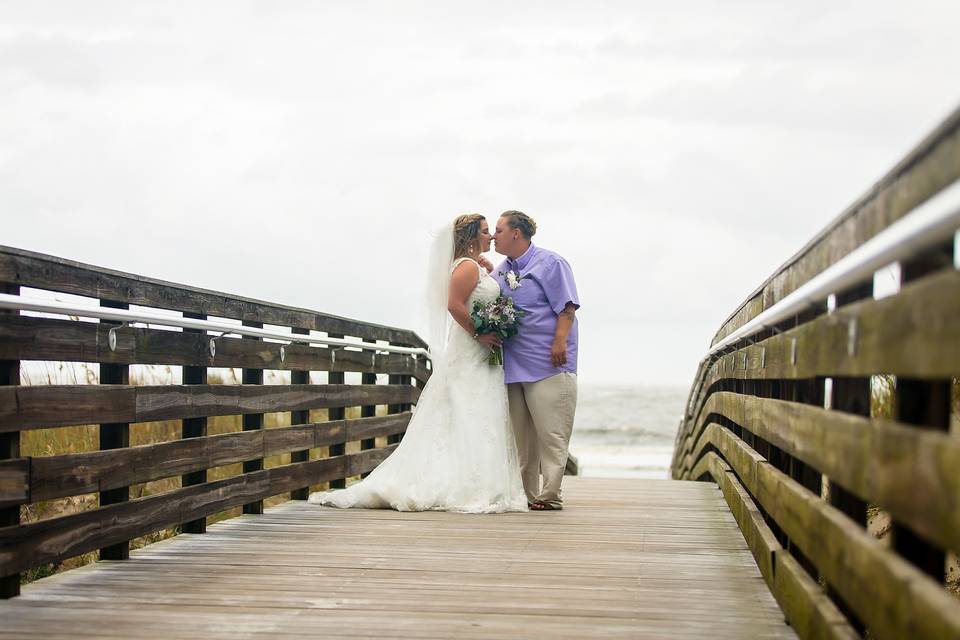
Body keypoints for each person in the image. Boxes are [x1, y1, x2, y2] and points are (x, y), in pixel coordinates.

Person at [308, 214, 528, 513]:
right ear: (472, 236)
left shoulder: (473, 266)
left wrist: (486, 271)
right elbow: (454, 305)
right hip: (470, 350)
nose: (491, 237)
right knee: (468, 411)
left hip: (479, 353)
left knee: (475, 414)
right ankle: (464, 484)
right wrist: (480, 333)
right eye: (487, 232)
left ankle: (478, 481)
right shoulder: (465, 267)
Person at [492, 210, 580, 511]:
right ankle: (526, 495)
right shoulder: (501, 270)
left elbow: (567, 308)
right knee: (521, 442)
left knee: (551, 434)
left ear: (516, 233)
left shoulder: (551, 263)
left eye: (499, 230)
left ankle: (550, 495)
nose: (493, 236)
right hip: (513, 366)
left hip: (548, 364)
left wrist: (559, 343)